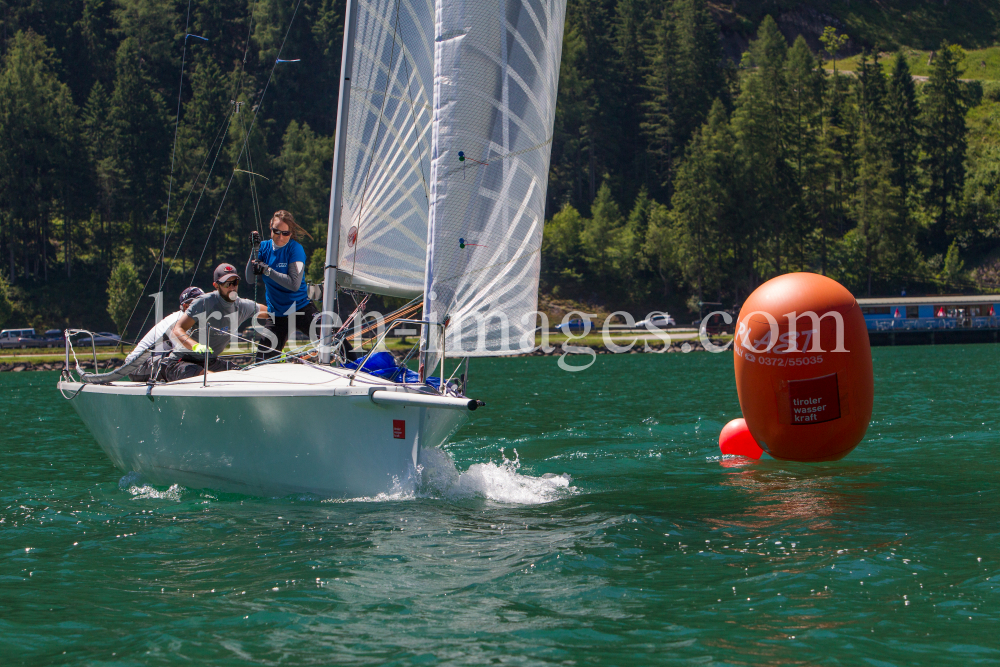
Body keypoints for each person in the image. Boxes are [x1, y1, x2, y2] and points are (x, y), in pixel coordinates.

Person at [163, 263, 268, 382]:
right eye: (227, 283)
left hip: (210, 362)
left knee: (243, 378)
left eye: (235, 282)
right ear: (216, 285)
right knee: (212, 378)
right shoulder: (203, 302)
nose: (232, 287)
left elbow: (272, 313)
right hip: (181, 362)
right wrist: (195, 346)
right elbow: (177, 329)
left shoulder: (243, 306)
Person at [78, 287, 206, 385]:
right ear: (185, 306)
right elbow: (183, 353)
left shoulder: (194, 322)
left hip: (159, 362)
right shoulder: (177, 321)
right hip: (137, 367)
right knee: (187, 366)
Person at [246, 210, 319, 362]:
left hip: (301, 308)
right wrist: (254, 250)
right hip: (277, 315)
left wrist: (267, 270)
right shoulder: (264, 248)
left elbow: (294, 284)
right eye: (276, 231)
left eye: (285, 233)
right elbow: (249, 279)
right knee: (262, 362)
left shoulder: (295, 249)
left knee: (335, 340)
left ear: (291, 233)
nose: (280, 237)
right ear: (270, 228)